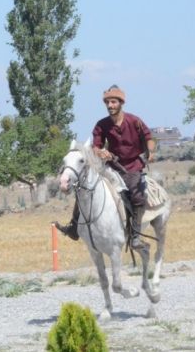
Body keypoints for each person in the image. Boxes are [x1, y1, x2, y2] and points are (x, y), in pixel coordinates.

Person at [55, 84, 155, 249]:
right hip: (111, 166)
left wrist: (150, 152)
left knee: (136, 196)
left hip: (132, 166)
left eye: (113, 102)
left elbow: (148, 138)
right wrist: (101, 152)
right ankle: (74, 226)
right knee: (85, 189)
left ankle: (135, 236)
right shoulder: (101, 124)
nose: (110, 105)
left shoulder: (134, 121)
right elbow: (96, 146)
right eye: (107, 102)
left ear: (121, 103)